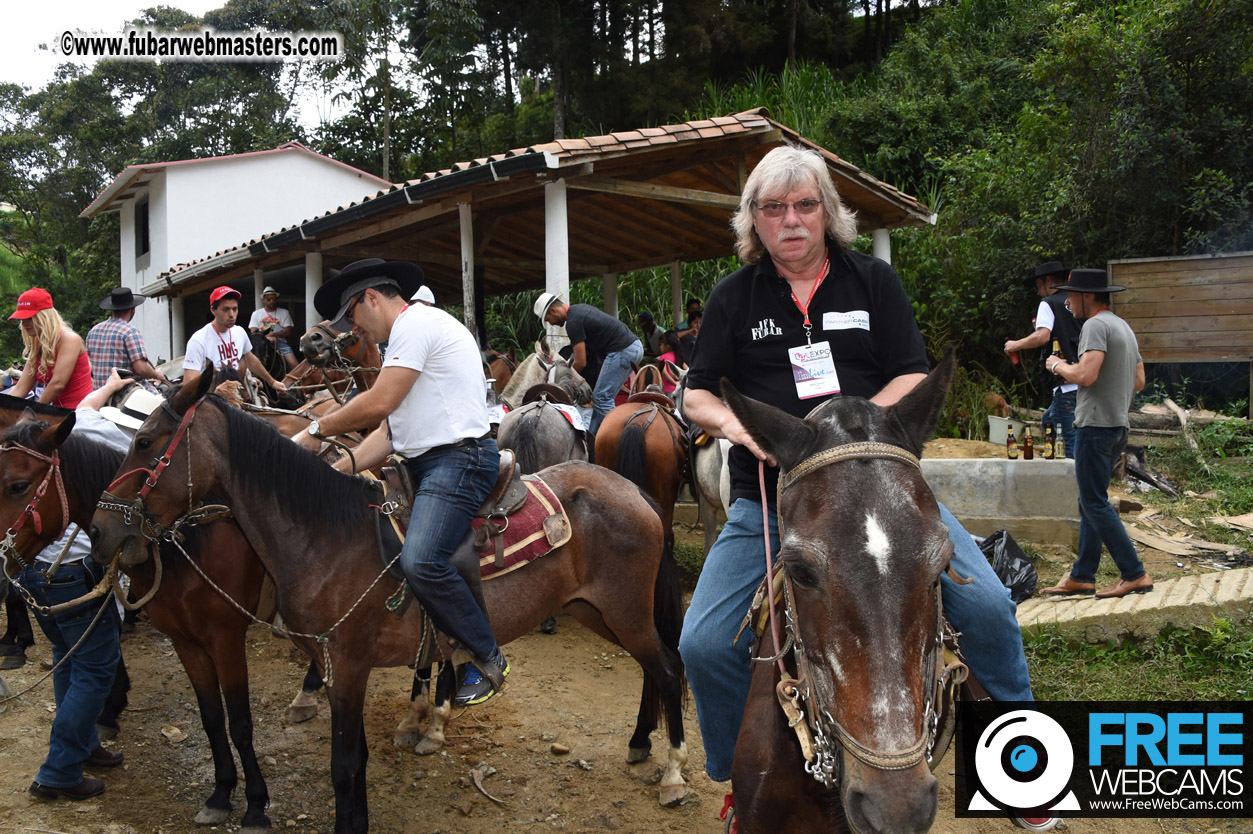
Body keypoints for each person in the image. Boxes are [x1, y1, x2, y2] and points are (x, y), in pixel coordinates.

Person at [678, 145, 1035, 790]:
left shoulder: (873, 281)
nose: (791, 220)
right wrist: (737, 427)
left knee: (987, 612)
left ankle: (1021, 774)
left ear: (829, 213)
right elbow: (697, 392)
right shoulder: (733, 297)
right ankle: (741, 779)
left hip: (884, 497)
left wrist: (849, 429)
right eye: (774, 208)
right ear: (753, 221)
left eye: (805, 205)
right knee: (703, 643)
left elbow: (912, 374)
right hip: (772, 497)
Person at [292, 258, 508, 706]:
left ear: (371, 298)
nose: (357, 331)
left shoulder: (415, 325)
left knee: (421, 561)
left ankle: (487, 656)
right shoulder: (402, 342)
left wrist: (315, 432)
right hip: (426, 462)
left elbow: (378, 403)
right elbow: (389, 435)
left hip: (460, 460)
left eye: (353, 318)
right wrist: (334, 472)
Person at [17, 406, 131, 801]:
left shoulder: (31, 445)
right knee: (95, 670)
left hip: (33, 571)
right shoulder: (94, 438)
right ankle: (59, 772)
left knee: (67, 655)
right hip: (71, 571)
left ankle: (83, 746)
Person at [1040, 268, 1151, 599]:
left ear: (1088, 297)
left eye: (1071, 296)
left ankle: (1134, 573)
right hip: (1117, 424)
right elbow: (1139, 381)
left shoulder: (1095, 325)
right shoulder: (1122, 327)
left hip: (1095, 424)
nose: (1067, 302)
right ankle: (1083, 575)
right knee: (1089, 500)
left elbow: (1085, 375)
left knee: (1094, 502)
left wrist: (1056, 366)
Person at [534, 294, 643, 434]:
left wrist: (564, 379)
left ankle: (622, 437)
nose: (552, 323)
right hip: (633, 347)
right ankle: (592, 439)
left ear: (554, 310)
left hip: (623, 349)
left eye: (549, 320)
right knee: (600, 398)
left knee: (601, 397)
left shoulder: (573, 322)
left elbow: (580, 362)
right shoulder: (579, 310)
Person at [1003, 261, 1079, 458]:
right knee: (1048, 421)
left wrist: (1016, 344)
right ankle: (1052, 467)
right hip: (1083, 377)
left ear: (1048, 281)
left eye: (1039, 286)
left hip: (1065, 381)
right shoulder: (1077, 303)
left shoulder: (1049, 303)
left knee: (1069, 438)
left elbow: (1043, 336)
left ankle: (1070, 483)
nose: (1038, 292)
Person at [183, 287, 286, 395]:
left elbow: (250, 359)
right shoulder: (198, 340)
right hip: (213, 396)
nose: (231, 314)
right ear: (213, 310)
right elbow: (189, 384)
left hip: (239, 390)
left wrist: (272, 382)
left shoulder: (239, 332)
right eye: (225, 309)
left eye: (235, 309)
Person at [7, 288, 93, 409]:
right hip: (57, 413)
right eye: (22, 319)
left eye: (30, 318)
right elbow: (20, 389)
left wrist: (33, 412)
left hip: (79, 414)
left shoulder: (69, 339)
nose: (24, 324)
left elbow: (58, 384)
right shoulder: (39, 346)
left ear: (45, 317)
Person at [85, 287, 169, 390]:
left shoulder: (93, 331)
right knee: (165, 401)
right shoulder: (130, 332)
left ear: (112, 308)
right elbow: (141, 369)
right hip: (125, 392)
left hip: (99, 391)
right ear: (132, 309)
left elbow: (88, 366)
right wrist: (156, 374)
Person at [247, 286, 298, 372]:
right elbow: (253, 330)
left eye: (273, 299)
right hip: (261, 343)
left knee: (294, 365)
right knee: (246, 363)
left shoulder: (284, 312)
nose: (271, 301)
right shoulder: (256, 314)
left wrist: (274, 335)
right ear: (263, 300)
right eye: (268, 299)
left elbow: (287, 331)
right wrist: (266, 337)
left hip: (279, 342)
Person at [656, 330, 685, 395]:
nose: (659, 347)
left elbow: (664, 372)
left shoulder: (663, 357)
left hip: (668, 391)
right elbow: (687, 370)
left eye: (660, 344)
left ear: (667, 346)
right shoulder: (678, 357)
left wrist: (674, 383)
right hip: (680, 390)